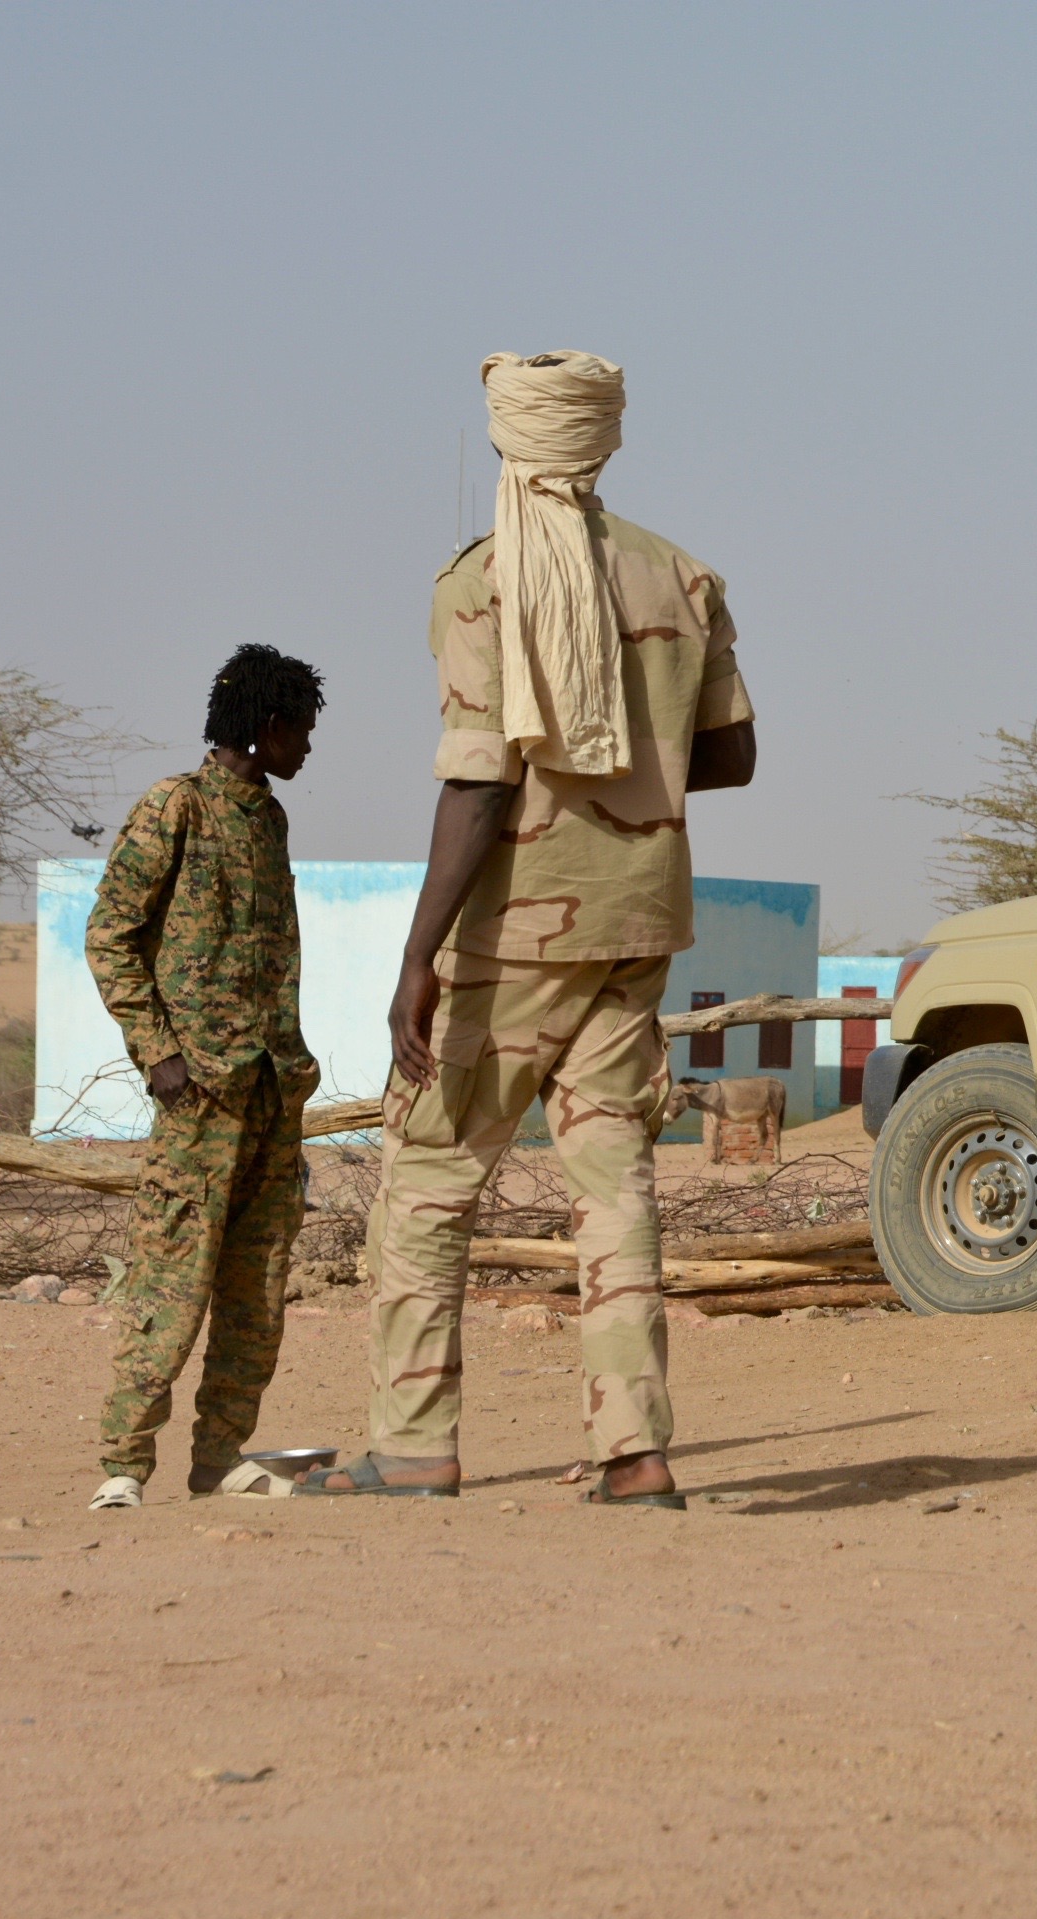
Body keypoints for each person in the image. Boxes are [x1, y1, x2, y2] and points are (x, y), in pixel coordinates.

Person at [299, 349, 756, 1507]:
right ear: (603, 439)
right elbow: (733, 755)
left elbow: (479, 781)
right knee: (616, 1189)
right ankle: (635, 1452)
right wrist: (629, 773)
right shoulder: (681, 575)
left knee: (427, 1183)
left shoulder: (482, 580)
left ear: (511, 439)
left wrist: (416, 956)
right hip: (634, 922)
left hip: (511, 934)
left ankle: (414, 1446)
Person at [86, 644, 327, 1510]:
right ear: (268, 726)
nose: (308, 747)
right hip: (200, 1098)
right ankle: (123, 1464)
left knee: (256, 1290)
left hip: (270, 1092)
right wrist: (159, 1054)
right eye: (301, 729)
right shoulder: (174, 807)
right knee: (171, 1280)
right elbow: (110, 936)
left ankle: (219, 1457)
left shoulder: (269, 819)